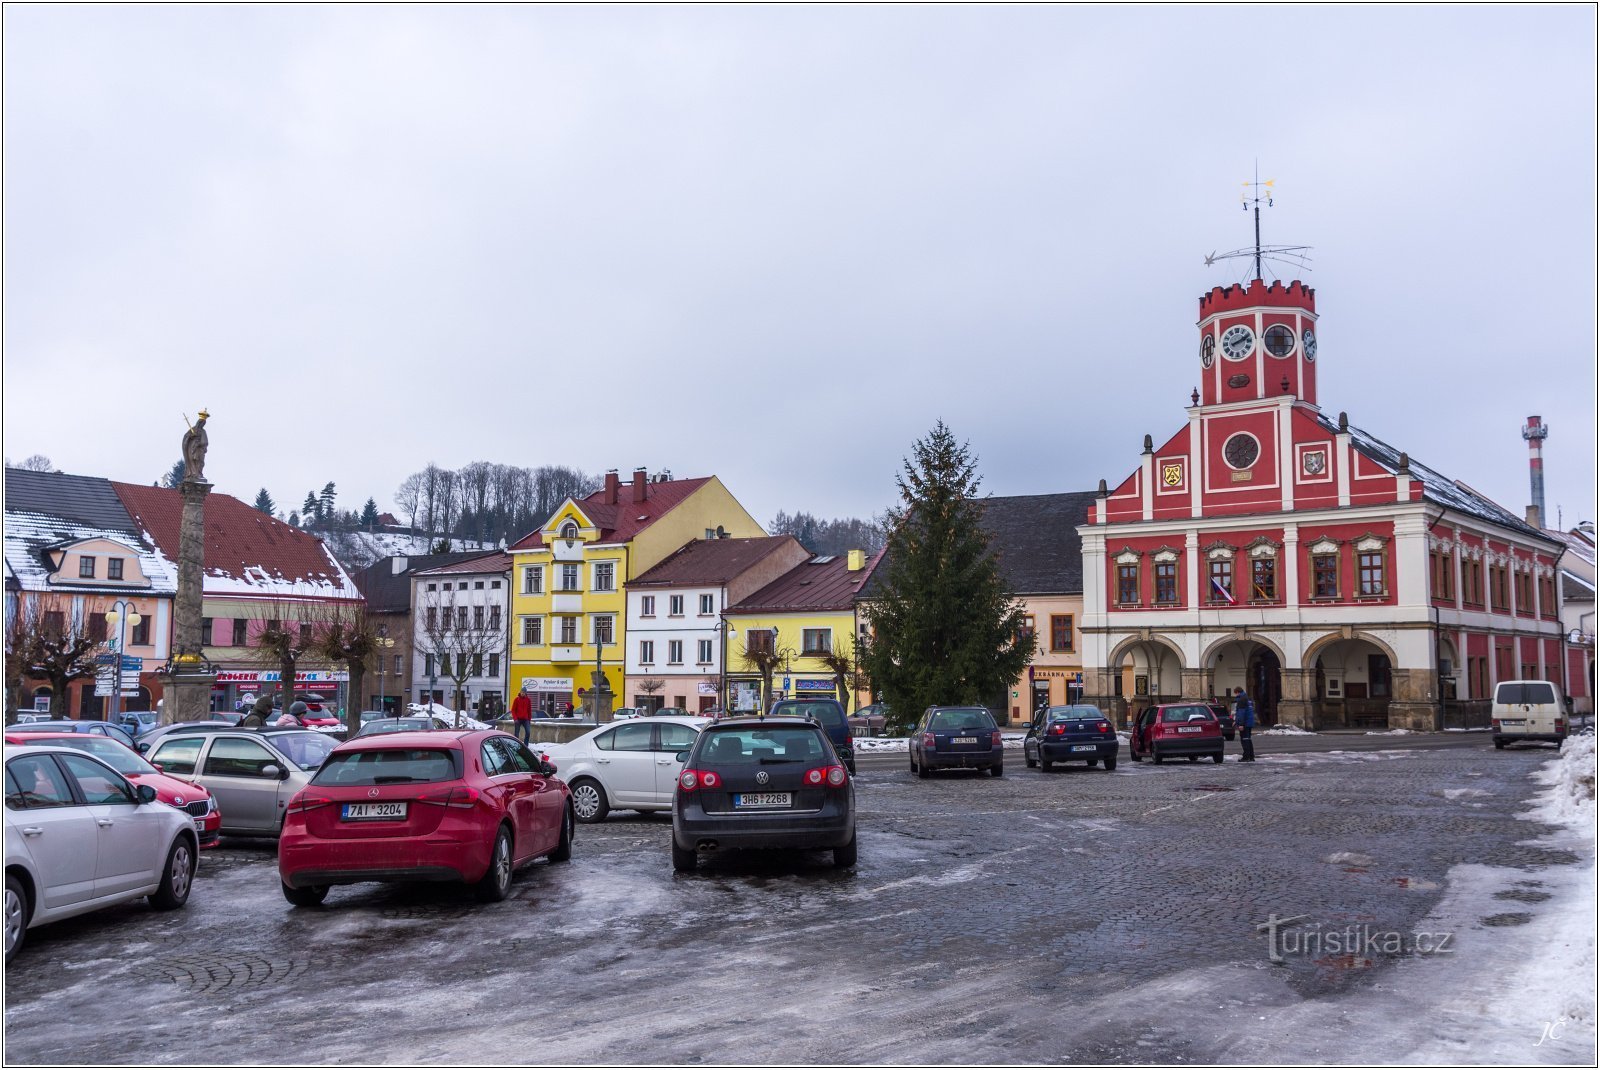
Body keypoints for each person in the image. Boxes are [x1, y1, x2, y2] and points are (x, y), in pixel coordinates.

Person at [1233, 687, 1256, 762]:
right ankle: (1251, 756)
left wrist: (1241, 724)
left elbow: (1241, 713)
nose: (1235, 695)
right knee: (1248, 739)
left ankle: (1246, 757)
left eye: (1235, 693)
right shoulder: (1248, 698)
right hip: (1249, 722)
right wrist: (1236, 721)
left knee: (1244, 740)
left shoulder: (1242, 699)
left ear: (1237, 692)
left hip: (1245, 723)